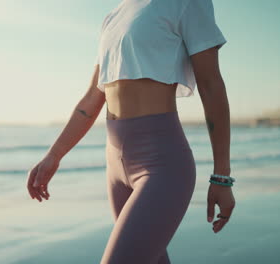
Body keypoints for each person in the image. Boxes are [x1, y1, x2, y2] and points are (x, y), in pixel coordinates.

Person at [27, 0, 236, 263]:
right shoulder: (113, 17)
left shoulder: (185, 3)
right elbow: (93, 96)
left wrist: (221, 176)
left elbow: (211, 85)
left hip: (161, 164)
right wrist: (54, 155)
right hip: (114, 165)